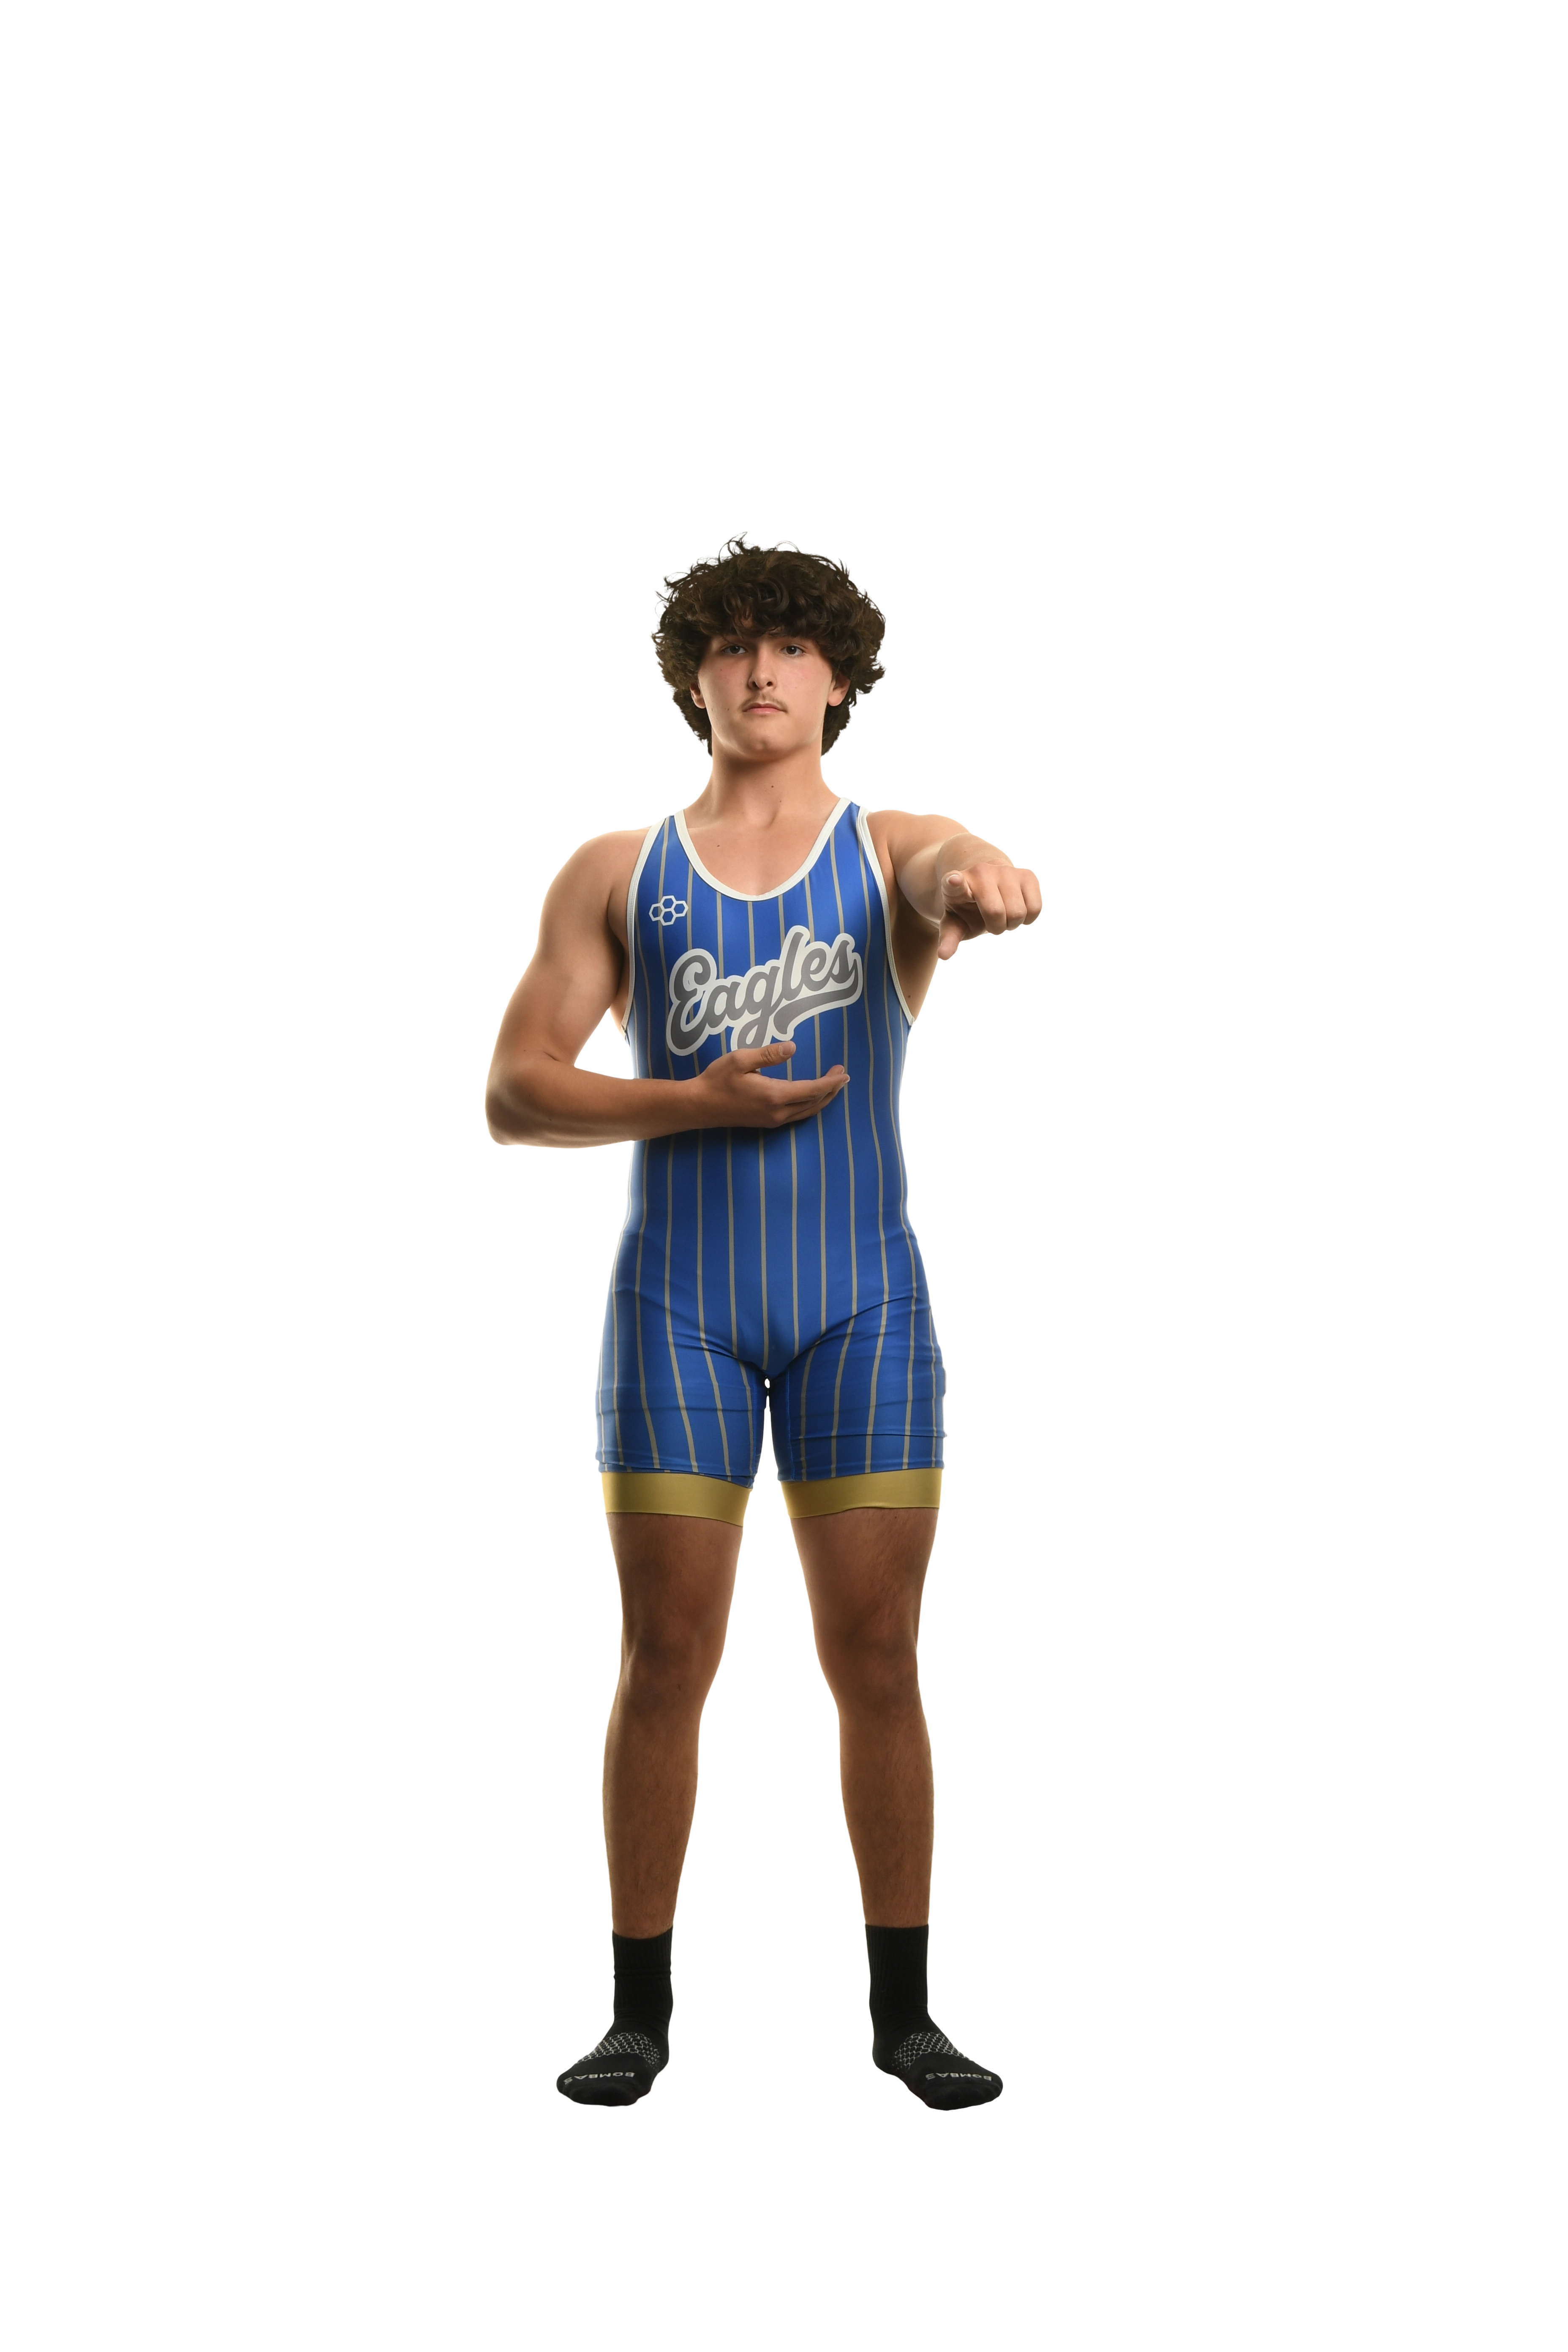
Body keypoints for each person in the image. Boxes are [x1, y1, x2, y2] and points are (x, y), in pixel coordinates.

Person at [485, 531, 1040, 2110]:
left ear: (837, 673)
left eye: (789, 645)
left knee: (880, 1656)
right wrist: (693, 1102)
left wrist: (980, 878)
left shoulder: (891, 849)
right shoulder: (616, 871)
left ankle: (906, 2021)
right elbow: (516, 1089)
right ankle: (637, 2019)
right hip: (679, 1310)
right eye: (729, 646)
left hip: (864, 1306)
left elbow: (945, 862)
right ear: (694, 676)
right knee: (664, 1656)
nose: (760, 670)